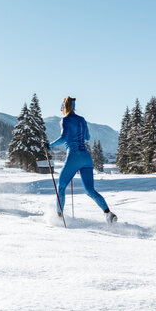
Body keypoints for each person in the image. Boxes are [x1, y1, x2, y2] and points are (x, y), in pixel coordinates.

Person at [46, 96, 117, 224]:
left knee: (61, 187)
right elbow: (88, 137)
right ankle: (108, 213)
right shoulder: (82, 120)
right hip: (86, 158)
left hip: (74, 156)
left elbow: (63, 137)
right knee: (90, 190)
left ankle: (59, 218)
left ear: (64, 107)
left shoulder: (65, 120)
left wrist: (48, 145)